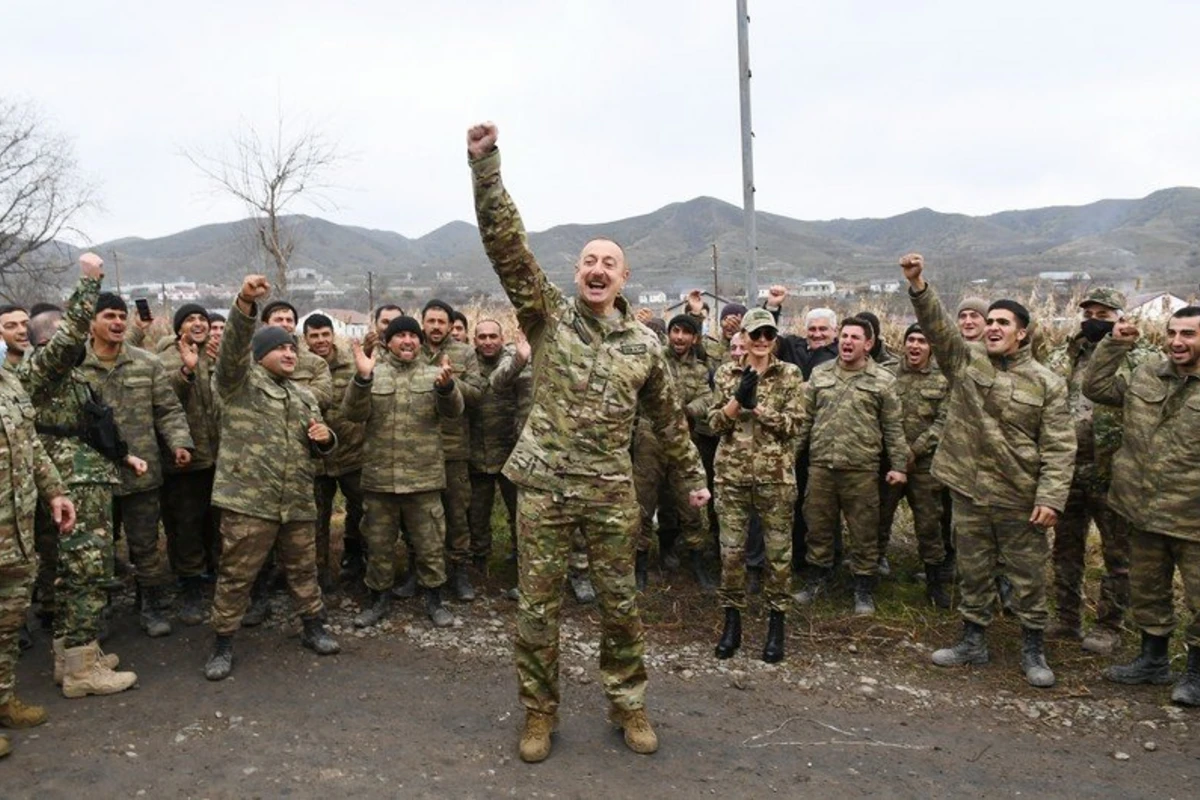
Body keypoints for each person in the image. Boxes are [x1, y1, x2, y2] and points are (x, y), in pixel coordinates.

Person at [468, 121, 708, 763]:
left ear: (624, 278)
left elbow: (670, 420)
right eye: (588, 261)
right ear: (576, 274)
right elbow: (507, 248)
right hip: (543, 486)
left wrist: (692, 478)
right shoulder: (546, 315)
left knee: (620, 604)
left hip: (608, 492)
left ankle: (629, 706)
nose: (597, 269)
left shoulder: (646, 347)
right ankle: (539, 714)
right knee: (537, 611)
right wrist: (485, 167)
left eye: (609, 263)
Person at [901, 253, 1075, 688]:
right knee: (973, 571)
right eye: (989, 320)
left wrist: (1051, 498)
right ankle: (972, 641)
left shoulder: (1046, 383)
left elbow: (1059, 446)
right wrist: (919, 285)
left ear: (1023, 333)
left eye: (1003, 322)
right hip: (970, 491)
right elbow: (939, 328)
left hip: (1020, 497)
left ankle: (1032, 648)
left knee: (1028, 576)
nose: (993, 327)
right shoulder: (966, 361)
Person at [203, 275, 340, 681]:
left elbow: (317, 442)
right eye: (279, 347)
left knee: (304, 570)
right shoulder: (237, 384)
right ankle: (222, 642)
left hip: (295, 500)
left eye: (291, 347)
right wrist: (245, 301)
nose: (289, 353)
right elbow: (230, 353)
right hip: (249, 502)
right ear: (259, 354)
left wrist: (325, 439)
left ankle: (314, 627)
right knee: (236, 575)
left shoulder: (303, 395)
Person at [19, 254, 138, 698]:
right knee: (86, 571)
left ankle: (72, 656)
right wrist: (89, 285)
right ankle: (81, 672)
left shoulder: (68, 380)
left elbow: (91, 429)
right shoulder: (43, 370)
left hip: (85, 479)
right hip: (73, 485)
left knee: (79, 572)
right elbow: (69, 340)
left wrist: (124, 458)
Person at [1084, 306, 1200, 705]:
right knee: (1149, 592)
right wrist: (1115, 343)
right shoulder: (1148, 372)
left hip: (1192, 517)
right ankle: (1153, 662)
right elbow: (1095, 387)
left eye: (1189, 334)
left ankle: (1197, 674)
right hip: (1142, 510)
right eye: (1172, 332)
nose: (1178, 341)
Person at [1045, 288, 1153, 654]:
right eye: (1089, 312)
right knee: (1065, 550)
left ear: (1121, 318)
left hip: (1114, 471)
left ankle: (1109, 625)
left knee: (1118, 555)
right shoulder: (1063, 353)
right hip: (1068, 468)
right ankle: (1066, 618)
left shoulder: (1143, 358)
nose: (1093, 319)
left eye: (1103, 314)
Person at [79, 293, 194, 637]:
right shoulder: (75, 367)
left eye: (121, 316)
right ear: (91, 323)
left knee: (145, 544)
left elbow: (168, 409)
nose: (117, 322)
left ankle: (152, 605)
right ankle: (98, 610)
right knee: (97, 547)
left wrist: (180, 443)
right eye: (109, 316)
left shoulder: (147, 363)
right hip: (92, 475)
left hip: (141, 473)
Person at [345, 316, 462, 628]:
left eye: (413, 335)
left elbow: (454, 412)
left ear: (420, 342)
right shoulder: (373, 373)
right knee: (378, 544)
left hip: (423, 480)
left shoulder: (436, 374)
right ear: (388, 342)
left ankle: (435, 600)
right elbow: (352, 413)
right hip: (380, 480)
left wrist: (448, 388)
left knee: (430, 545)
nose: (407, 341)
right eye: (400, 336)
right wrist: (362, 380)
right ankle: (378, 600)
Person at [792, 317, 908, 616]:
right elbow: (805, 421)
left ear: (868, 344)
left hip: (861, 469)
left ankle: (863, 589)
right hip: (821, 466)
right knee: (817, 527)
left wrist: (899, 466)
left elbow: (893, 428)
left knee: (864, 531)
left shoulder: (882, 380)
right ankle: (818, 580)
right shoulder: (820, 374)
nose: (847, 342)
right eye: (843, 336)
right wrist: (789, 457)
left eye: (855, 337)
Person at [708, 308, 803, 661]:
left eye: (768, 335)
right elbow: (714, 423)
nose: (762, 341)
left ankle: (776, 626)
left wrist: (759, 408)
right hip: (731, 476)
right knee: (731, 554)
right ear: (744, 337)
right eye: (756, 334)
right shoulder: (725, 373)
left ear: (774, 338)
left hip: (774, 477)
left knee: (778, 555)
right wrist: (737, 400)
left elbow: (795, 425)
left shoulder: (790, 374)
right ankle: (732, 624)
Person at [0, 336, 76, 756]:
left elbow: (31, 445)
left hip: (16, 532)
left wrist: (55, 492)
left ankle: (3, 699)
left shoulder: (8, 382)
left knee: (8, 623)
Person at [632, 314, 715, 589]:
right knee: (643, 501)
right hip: (650, 436)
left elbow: (706, 397)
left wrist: (688, 411)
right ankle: (640, 565)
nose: (679, 337)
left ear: (695, 338)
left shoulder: (701, 369)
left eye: (685, 333)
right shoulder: (655, 358)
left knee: (690, 502)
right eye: (675, 331)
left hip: (682, 437)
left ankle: (696, 563)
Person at [877, 324, 951, 607]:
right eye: (911, 340)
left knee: (929, 522)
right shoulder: (888, 373)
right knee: (879, 518)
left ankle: (934, 582)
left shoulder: (942, 378)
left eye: (922, 340)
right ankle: (871, 573)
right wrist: (896, 453)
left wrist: (914, 451)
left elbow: (944, 422)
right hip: (889, 462)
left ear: (931, 347)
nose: (916, 346)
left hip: (924, 466)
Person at [157, 303, 221, 625]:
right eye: (190, 319)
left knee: (216, 521)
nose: (198, 323)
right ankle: (190, 585)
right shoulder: (166, 356)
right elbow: (164, 401)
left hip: (219, 456)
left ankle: (216, 575)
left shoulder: (214, 354)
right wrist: (186, 371)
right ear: (179, 326)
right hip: (186, 459)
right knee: (187, 524)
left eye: (203, 319)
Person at [421, 300, 484, 601]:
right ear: (422, 323)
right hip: (417, 450)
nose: (435, 326)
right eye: (430, 321)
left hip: (454, 450)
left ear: (449, 325)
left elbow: (476, 394)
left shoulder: (464, 352)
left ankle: (459, 573)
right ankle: (420, 572)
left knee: (457, 515)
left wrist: (450, 380)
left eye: (441, 322)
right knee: (420, 519)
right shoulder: (410, 349)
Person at [304, 314, 366, 591]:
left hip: (353, 456)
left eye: (324, 334)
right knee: (317, 519)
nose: (320, 341)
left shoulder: (351, 363)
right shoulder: (298, 366)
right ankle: (319, 573)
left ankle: (359, 563)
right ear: (305, 339)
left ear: (333, 335)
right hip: (316, 461)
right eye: (314, 336)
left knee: (363, 513)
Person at [468, 319, 520, 572]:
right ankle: (480, 556)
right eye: (482, 337)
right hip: (476, 451)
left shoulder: (515, 360)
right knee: (477, 512)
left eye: (493, 336)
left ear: (502, 338)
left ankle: (520, 556)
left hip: (511, 450)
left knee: (518, 510)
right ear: (474, 340)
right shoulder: (467, 363)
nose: (488, 342)